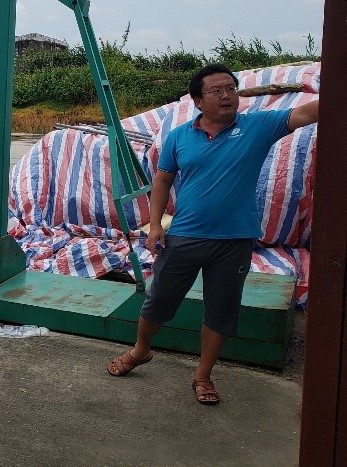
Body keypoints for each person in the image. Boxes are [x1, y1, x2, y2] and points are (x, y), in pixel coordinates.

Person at [106, 63, 319, 405]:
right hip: (184, 237)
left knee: (221, 310)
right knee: (158, 301)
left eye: (231, 89)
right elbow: (162, 179)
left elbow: (308, 113)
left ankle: (203, 375)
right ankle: (140, 350)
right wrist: (156, 224)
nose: (226, 96)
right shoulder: (179, 137)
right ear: (197, 100)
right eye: (216, 91)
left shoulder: (258, 126)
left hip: (234, 242)